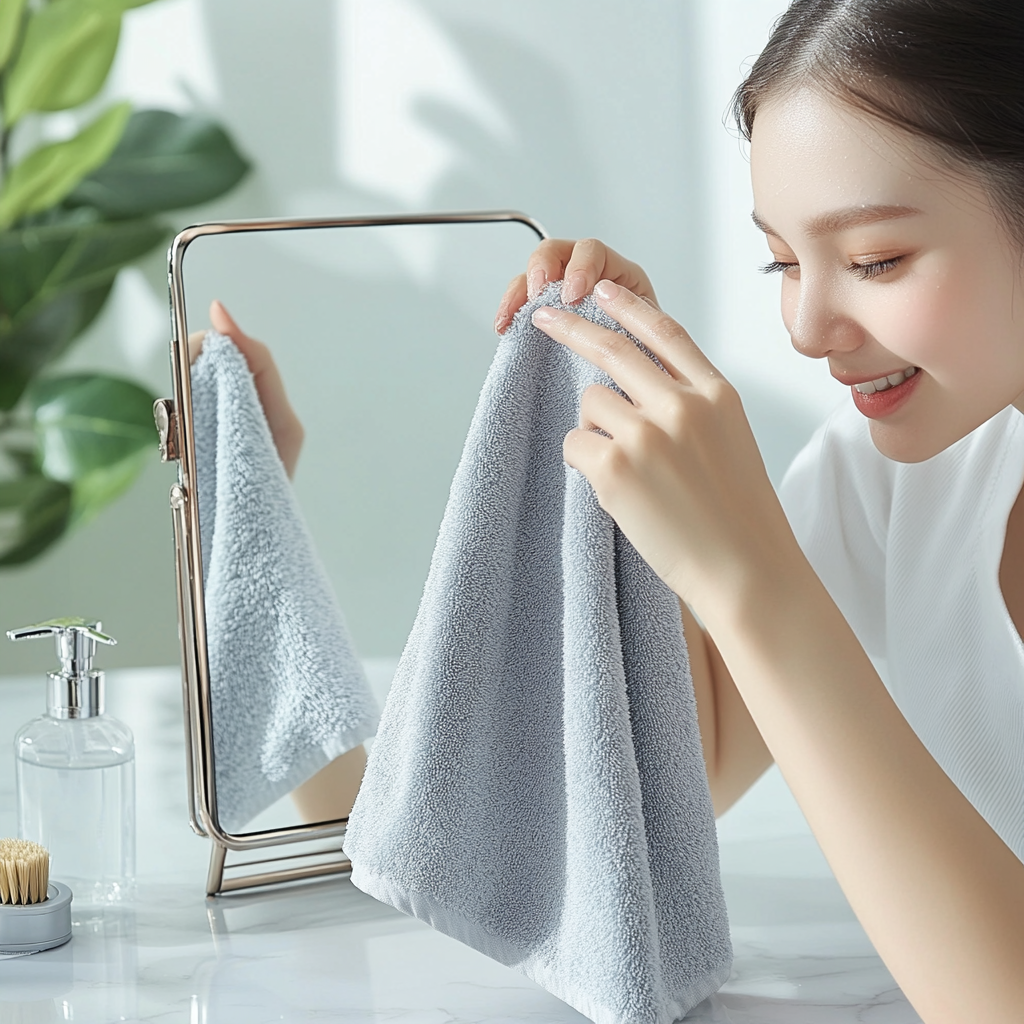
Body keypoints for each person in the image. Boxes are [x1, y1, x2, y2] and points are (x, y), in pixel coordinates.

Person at [490, 2, 1024, 1021]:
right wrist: (621, 409)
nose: (807, 328)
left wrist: (750, 579)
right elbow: (646, 800)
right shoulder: (890, 480)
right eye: (782, 261)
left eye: (873, 259)